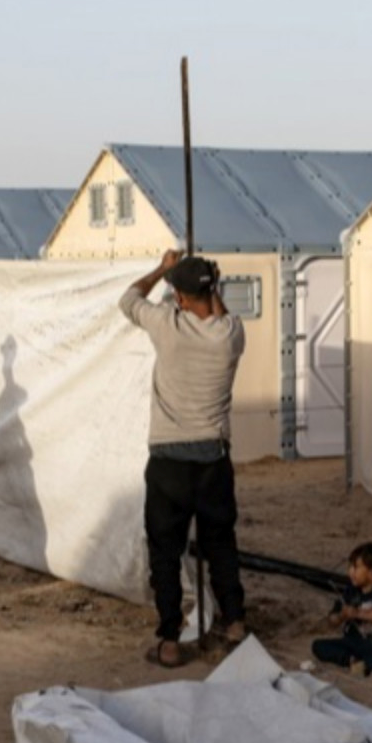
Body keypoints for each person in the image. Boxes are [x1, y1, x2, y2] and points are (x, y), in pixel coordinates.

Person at [119, 249, 247, 668]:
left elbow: (129, 299)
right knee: (221, 546)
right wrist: (209, 285)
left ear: (179, 297)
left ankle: (170, 641)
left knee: (166, 553)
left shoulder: (167, 326)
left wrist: (162, 267)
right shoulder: (231, 335)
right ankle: (234, 625)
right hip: (213, 460)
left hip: (169, 462)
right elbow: (218, 312)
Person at [312, 542, 372, 677]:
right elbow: (332, 620)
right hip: (353, 641)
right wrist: (342, 616)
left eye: (356, 568)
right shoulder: (350, 591)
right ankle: (353, 661)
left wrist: (357, 613)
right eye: (350, 567)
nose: (350, 572)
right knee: (318, 646)